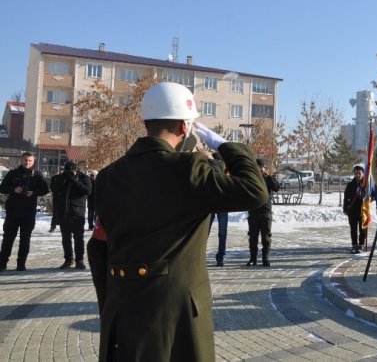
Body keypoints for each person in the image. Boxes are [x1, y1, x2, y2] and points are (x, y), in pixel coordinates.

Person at [87, 81, 269, 362]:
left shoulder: (109, 176)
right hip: (176, 315)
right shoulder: (188, 170)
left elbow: (99, 249)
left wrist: (110, 306)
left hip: (123, 307)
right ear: (185, 128)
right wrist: (226, 147)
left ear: (146, 122)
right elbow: (255, 191)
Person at [0, 152, 49, 271]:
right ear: (21, 160)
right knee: (8, 238)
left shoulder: (37, 175)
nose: (27, 162)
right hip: (13, 211)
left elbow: (45, 189)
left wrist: (33, 192)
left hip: (28, 211)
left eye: (30, 161)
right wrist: (14, 189)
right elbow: (2, 188)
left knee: (25, 239)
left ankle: (21, 264)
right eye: (25, 160)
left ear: (33, 162)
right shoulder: (12, 173)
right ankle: (2, 263)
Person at [50, 160, 92, 269]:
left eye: (72, 170)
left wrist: (73, 180)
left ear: (77, 170)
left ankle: (79, 260)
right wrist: (65, 178)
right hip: (64, 213)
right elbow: (54, 189)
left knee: (78, 239)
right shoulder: (61, 178)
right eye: (67, 170)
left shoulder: (83, 178)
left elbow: (88, 191)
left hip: (77, 213)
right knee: (65, 239)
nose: (69, 172)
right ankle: (68, 260)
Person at [248, 158, 280, 266]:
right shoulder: (251, 178)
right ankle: (253, 258)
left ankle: (265, 258)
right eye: (257, 167)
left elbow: (276, 188)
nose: (259, 169)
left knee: (266, 236)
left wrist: (269, 177)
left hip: (265, 211)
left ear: (264, 168)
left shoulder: (268, 178)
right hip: (253, 211)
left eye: (261, 167)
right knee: (253, 236)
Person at [343, 164, 367, 254]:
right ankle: (354, 244)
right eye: (356, 173)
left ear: (363, 174)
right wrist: (345, 208)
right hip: (352, 210)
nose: (357, 175)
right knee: (353, 229)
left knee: (363, 228)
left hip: (363, 210)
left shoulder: (366, 184)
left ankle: (361, 244)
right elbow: (346, 197)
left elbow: (372, 195)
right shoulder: (350, 185)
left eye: (359, 173)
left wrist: (370, 199)